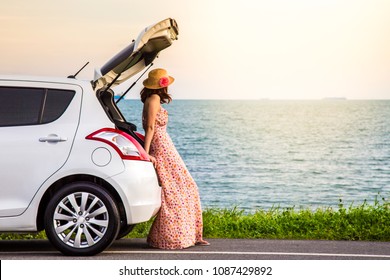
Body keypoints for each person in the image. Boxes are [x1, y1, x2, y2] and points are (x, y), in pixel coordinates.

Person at [141, 68, 209, 249]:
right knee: (180, 189)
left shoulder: (150, 99)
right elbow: (149, 127)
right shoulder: (154, 99)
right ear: (161, 86)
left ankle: (189, 234)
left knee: (179, 189)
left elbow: (150, 127)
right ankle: (173, 237)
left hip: (164, 144)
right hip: (162, 146)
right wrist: (146, 153)